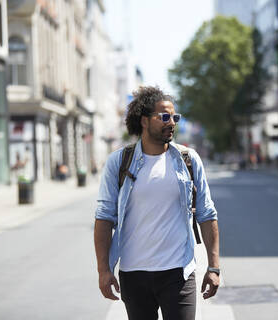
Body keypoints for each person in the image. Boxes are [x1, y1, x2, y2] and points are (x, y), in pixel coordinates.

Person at [94, 86, 220, 320]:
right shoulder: (120, 162)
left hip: (179, 273)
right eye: (164, 116)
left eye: (175, 117)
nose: (171, 122)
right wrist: (103, 270)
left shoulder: (188, 160)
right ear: (144, 121)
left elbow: (206, 213)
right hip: (134, 274)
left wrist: (213, 267)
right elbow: (104, 217)